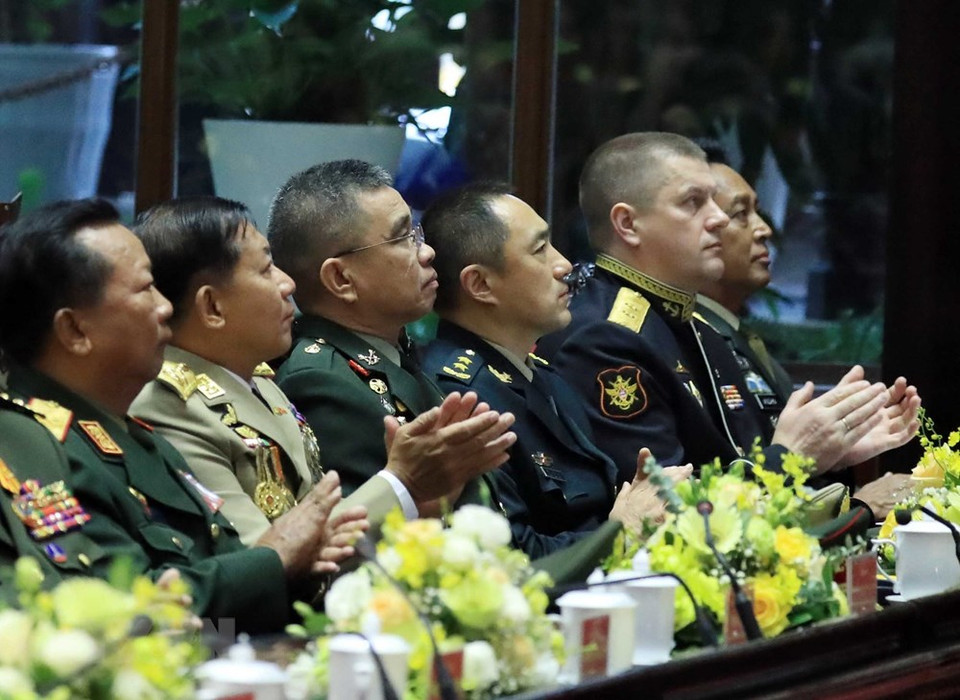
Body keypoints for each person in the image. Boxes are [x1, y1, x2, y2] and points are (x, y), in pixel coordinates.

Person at [0, 198, 369, 632]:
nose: (165, 307)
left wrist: (299, 564)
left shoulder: (132, 436)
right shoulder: (29, 445)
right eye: (144, 290)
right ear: (75, 330)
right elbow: (116, 620)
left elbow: (217, 598)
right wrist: (276, 557)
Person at [538, 132, 919, 484]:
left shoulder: (695, 323)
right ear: (628, 224)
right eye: (693, 202)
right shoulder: (604, 337)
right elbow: (669, 509)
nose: (719, 219)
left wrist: (830, 455)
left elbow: (740, 463)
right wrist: (794, 457)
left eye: (712, 200)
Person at [130, 196, 515, 544]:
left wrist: (420, 502)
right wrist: (401, 482)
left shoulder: (262, 382)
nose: (287, 284)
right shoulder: (169, 407)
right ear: (213, 307)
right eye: (266, 270)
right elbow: (259, 564)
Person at [419, 182, 692, 558]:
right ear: (480, 284)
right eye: (539, 250)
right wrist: (620, 533)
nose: (563, 264)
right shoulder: (459, 399)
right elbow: (508, 557)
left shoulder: (540, 374)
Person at [271, 160, 514, 512]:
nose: (427, 252)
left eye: (417, 232)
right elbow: (367, 534)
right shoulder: (321, 380)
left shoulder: (391, 349)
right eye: (403, 238)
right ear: (341, 279)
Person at [698, 160, 919, 508]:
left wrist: (834, 453)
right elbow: (711, 499)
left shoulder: (732, 334)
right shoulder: (686, 339)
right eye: (740, 214)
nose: (764, 229)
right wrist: (853, 506)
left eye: (758, 211)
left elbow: (772, 464)